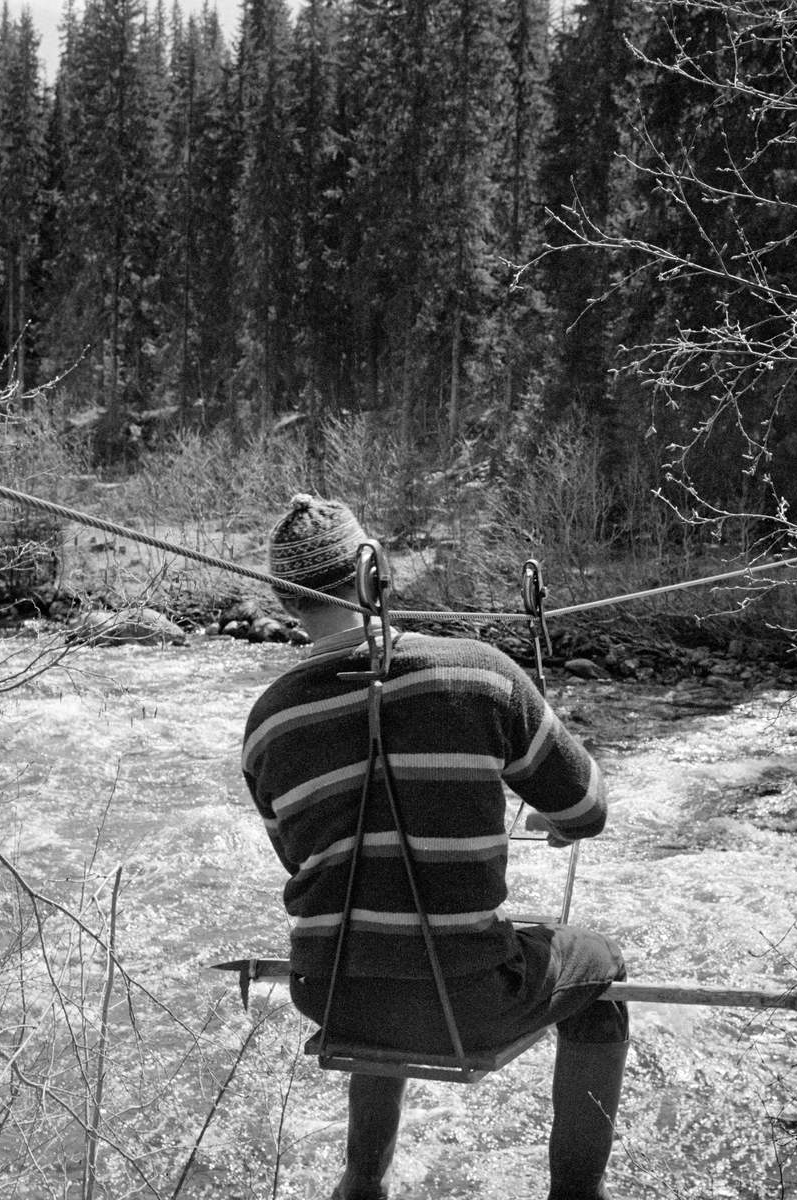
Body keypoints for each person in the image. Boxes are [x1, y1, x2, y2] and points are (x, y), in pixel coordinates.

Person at [242, 493, 629, 1200]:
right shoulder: (480, 674)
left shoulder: (266, 724)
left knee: (378, 944)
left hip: (332, 998)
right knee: (602, 972)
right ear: (375, 571)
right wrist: (561, 822)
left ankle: (362, 1184)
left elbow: (309, 866)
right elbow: (590, 808)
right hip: (466, 998)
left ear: (285, 602)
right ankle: (578, 1197)